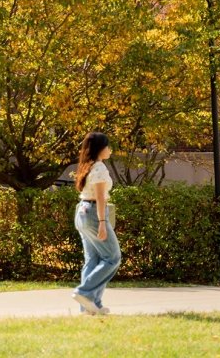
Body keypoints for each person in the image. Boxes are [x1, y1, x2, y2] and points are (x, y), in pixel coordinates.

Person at [71, 132, 121, 316]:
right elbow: (100, 197)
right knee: (112, 258)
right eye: (107, 146)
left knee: (93, 260)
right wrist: (102, 222)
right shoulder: (99, 168)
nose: (110, 150)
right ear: (100, 149)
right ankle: (84, 292)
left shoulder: (87, 166)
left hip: (82, 212)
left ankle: (91, 307)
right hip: (94, 214)